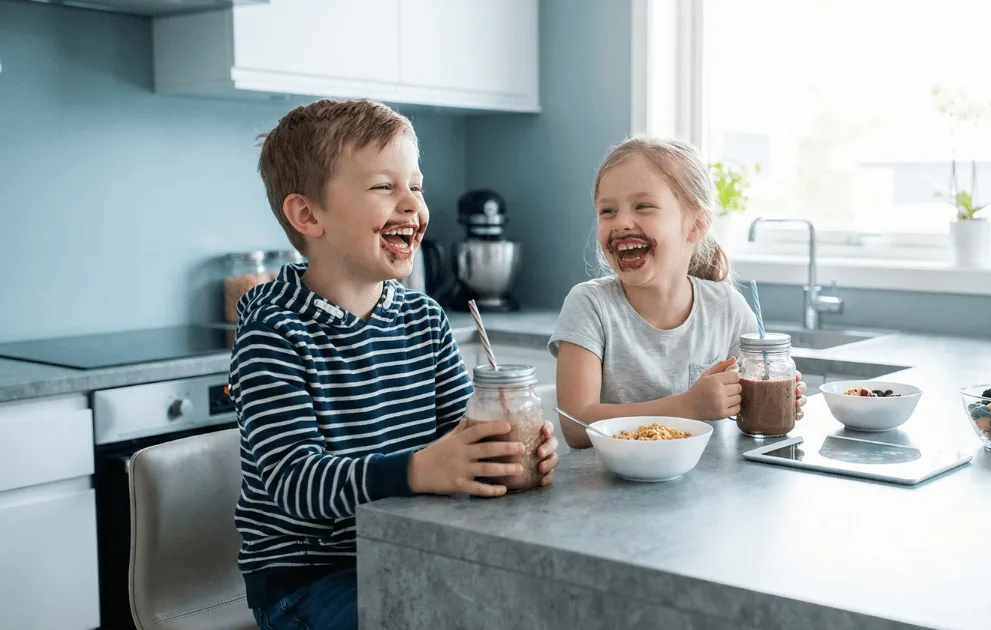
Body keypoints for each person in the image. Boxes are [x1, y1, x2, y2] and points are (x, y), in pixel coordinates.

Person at [231, 98, 560, 630]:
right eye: (385, 187)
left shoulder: (424, 321)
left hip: (413, 548)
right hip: (310, 580)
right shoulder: (275, 331)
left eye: (417, 186)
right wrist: (418, 469)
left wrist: (504, 454)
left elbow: (461, 436)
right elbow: (293, 482)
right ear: (307, 215)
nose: (412, 204)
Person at [550, 136, 806, 449]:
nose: (622, 222)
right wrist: (688, 406)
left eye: (642, 206)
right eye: (607, 211)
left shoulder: (726, 307)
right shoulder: (589, 305)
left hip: (707, 486)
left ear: (696, 225)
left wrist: (778, 397)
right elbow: (576, 425)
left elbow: (749, 402)